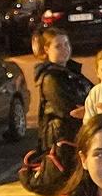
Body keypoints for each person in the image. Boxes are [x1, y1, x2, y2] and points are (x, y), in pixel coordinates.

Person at [32, 26, 91, 156]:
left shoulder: (72, 72)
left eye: (66, 44)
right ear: (47, 49)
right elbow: (70, 111)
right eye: (58, 46)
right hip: (62, 142)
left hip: (78, 135)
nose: (65, 49)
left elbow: (95, 94)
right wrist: (92, 109)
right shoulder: (51, 78)